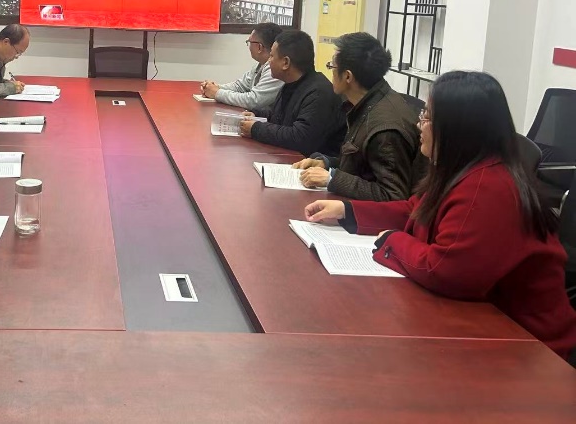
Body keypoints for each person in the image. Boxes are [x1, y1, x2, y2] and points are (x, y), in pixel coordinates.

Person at [305, 71, 576, 364]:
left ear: (456, 129)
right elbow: (416, 209)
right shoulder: (463, 169)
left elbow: (443, 270)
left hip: (530, 349)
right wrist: (348, 211)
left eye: (427, 117)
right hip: (481, 322)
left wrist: (392, 241)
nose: (419, 125)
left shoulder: (487, 188)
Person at [294, 32, 422, 201]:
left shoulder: (385, 128)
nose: (331, 72)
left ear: (347, 76)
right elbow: (363, 168)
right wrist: (327, 164)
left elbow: (393, 196)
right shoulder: (369, 102)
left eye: (332, 67)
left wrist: (332, 178)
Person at [240, 30, 345, 155]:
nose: (268, 61)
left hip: (310, 163)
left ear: (286, 63)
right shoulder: (291, 83)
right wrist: (256, 114)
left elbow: (300, 137)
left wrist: (255, 129)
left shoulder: (319, 93)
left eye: (272, 56)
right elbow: (279, 115)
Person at [200, 22, 283, 111]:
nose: (248, 46)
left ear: (259, 47)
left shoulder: (274, 69)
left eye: (249, 42)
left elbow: (253, 101)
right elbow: (240, 86)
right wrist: (213, 87)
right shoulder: (260, 65)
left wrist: (217, 93)